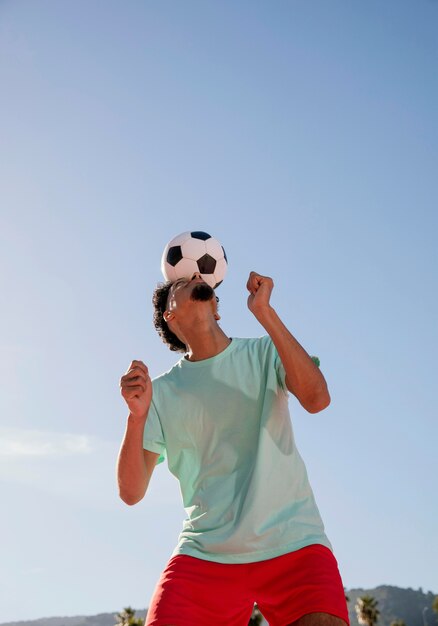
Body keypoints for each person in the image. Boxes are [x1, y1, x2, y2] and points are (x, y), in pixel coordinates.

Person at [117, 271, 349, 626]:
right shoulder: (159, 393)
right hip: (204, 556)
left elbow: (318, 399)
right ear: (170, 316)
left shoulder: (264, 351)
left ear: (217, 307)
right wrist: (136, 416)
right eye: (181, 283)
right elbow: (131, 492)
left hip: (295, 545)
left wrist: (264, 312)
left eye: (199, 278)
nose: (194, 275)